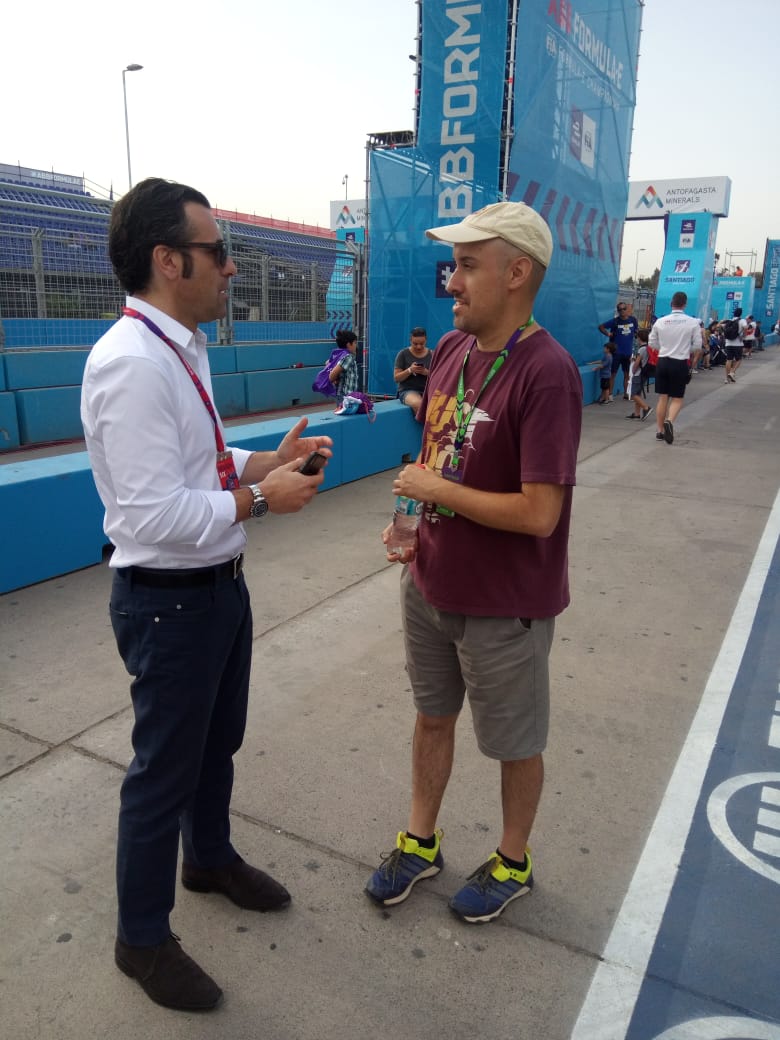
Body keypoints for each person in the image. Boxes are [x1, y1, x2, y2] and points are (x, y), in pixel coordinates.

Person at [80, 177, 333, 1012]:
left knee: (215, 743)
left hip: (217, 590)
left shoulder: (183, 347)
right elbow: (153, 511)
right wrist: (263, 502)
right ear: (168, 260)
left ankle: (210, 857)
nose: (231, 267)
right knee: (162, 774)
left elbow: (202, 466)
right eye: (218, 252)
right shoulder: (129, 364)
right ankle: (140, 941)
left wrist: (264, 463)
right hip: (169, 602)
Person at [364, 201, 582, 924]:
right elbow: (437, 457)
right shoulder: (454, 353)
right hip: (430, 582)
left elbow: (540, 512)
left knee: (515, 743)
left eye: (466, 265)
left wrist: (436, 488)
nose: (450, 281)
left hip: (504, 603)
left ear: (517, 273)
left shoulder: (547, 372)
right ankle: (420, 842)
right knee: (432, 719)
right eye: (453, 265)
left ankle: (512, 860)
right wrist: (413, 526)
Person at [649, 291, 701, 445]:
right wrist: (684, 350)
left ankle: (659, 431)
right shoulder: (692, 322)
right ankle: (669, 421)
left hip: (663, 361)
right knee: (677, 398)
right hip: (680, 362)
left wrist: (664, 348)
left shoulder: (660, 321)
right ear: (685, 304)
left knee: (662, 397)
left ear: (671, 303)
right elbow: (697, 346)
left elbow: (651, 342)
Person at [598, 301, 638, 399]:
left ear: (627, 309)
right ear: (618, 311)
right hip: (616, 353)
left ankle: (626, 394)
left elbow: (636, 332)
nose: (622, 311)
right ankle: (610, 394)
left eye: (624, 309)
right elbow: (601, 327)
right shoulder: (615, 321)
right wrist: (608, 334)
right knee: (613, 374)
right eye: (620, 310)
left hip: (628, 353)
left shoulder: (633, 320)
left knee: (627, 374)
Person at [394, 326, 432, 412]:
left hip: (428, 390)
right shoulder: (403, 354)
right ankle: (427, 425)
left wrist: (426, 372)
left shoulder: (432, 354)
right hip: (407, 390)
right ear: (410, 340)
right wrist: (410, 370)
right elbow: (396, 378)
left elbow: (439, 377)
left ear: (426, 340)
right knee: (418, 404)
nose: (419, 347)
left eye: (422, 344)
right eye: (415, 344)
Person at [625, 329, 652, 421]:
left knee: (633, 394)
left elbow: (638, 362)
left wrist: (633, 370)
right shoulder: (648, 347)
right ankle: (637, 414)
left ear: (639, 338)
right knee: (638, 393)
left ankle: (646, 408)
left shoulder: (641, 349)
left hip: (638, 373)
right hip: (644, 373)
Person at [328, 329, 358, 401]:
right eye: (355, 343)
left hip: (345, 395)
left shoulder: (340, 355)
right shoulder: (348, 357)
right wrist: (333, 377)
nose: (356, 345)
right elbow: (331, 377)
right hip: (346, 396)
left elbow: (327, 363)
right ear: (348, 344)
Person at [723, 307, 746, 384]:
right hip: (738, 344)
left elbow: (721, 327)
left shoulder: (730, 320)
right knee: (738, 359)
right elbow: (745, 327)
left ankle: (727, 378)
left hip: (728, 343)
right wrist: (743, 336)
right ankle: (732, 372)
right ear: (741, 314)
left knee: (729, 360)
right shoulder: (742, 320)